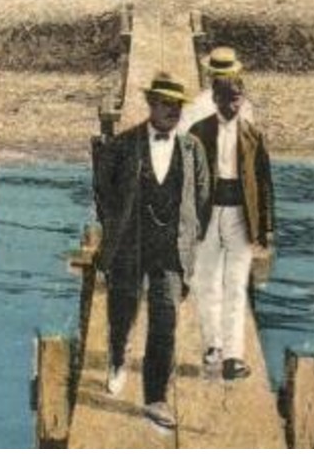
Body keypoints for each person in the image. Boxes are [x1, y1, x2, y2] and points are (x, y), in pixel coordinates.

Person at [92, 72, 211, 432]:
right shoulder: (124, 145)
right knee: (121, 310)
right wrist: (116, 225)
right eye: (165, 104)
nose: (172, 110)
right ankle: (116, 359)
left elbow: (202, 198)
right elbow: (103, 190)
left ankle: (156, 397)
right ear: (151, 105)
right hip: (130, 244)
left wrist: (189, 237)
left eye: (177, 105)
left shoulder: (193, 150)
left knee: (165, 323)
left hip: (170, 251)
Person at [189, 67, 274, 382]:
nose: (233, 106)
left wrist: (266, 228)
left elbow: (264, 184)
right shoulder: (197, 133)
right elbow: (185, 184)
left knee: (236, 284)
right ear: (214, 99)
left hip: (241, 214)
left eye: (237, 100)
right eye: (226, 100)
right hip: (207, 215)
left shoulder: (253, 136)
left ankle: (234, 356)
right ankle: (213, 345)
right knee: (207, 281)